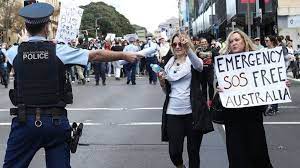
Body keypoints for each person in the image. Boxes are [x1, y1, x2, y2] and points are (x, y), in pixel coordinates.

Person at [2, 3, 140, 168]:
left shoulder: (13, 52)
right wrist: (124, 54)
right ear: (47, 27)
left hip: (24, 122)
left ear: (26, 26)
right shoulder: (59, 51)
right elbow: (96, 55)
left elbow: (20, 49)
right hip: (55, 122)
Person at [218, 30, 274, 168]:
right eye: (231, 41)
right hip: (233, 119)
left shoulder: (258, 62)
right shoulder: (224, 65)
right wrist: (219, 89)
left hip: (252, 117)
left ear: (244, 41)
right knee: (237, 158)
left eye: (237, 40)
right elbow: (218, 91)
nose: (234, 43)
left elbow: (267, 83)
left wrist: (279, 84)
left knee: (258, 156)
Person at [158, 32, 214, 168]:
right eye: (175, 44)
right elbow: (167, 91)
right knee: (174, 152)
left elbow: (199, 66)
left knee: (193, 151)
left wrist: (188, 48)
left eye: (181, 44)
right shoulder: (169, 64)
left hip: (193, 113)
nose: (178, 47)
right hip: (173, 113)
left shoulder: (193, 60)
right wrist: (162, 83)